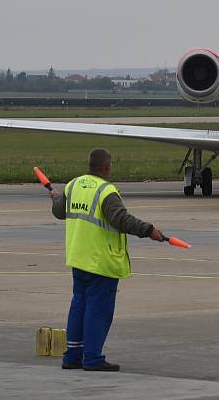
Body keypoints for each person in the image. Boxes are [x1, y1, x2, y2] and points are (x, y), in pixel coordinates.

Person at [49, 148, 163, 371]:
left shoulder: (73, 185)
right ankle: (92, 358)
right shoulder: (106, 191)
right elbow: (121, 219)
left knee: (79, 305)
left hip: (79, 258)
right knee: (98, 310)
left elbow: (59, 212)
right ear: (106, 166)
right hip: (101, 261)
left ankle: (72, 356)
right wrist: (148, 230)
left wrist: (55, 200)